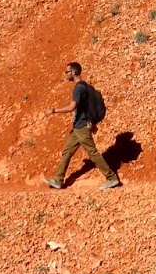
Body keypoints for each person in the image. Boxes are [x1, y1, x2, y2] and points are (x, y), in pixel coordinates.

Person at [44, 61, 120, 190]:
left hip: (82, 126)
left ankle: (111, 178)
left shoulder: (79, 88)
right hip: (79, 127)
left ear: (73, 72)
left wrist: (53, 110)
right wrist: (92, 123)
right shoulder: (85, 86)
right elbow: (87, 107)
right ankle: (58, 180)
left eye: (67, 72)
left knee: (92, 152)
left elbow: (71, 107)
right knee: (67, 151)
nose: (66, 74)